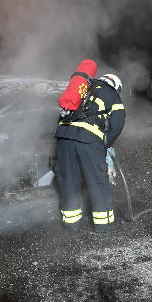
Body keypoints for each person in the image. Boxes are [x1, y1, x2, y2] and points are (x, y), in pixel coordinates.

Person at [55, 68, 126, 232]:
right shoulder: (111, 93)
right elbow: (118, 123)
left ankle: (71, 223)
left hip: (63, 137)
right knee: (98, 181)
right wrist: (105, 143)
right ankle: (104, 225)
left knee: (69, 180)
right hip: (88, 140)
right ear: (115, 85)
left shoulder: (84, 87)